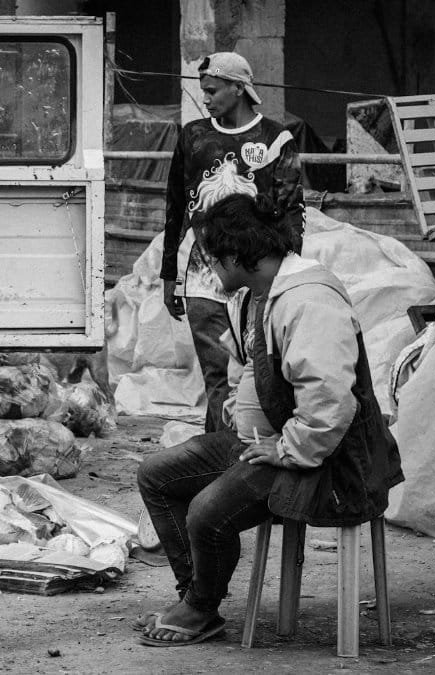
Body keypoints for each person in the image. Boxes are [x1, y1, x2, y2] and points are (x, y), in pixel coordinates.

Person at [134, 193, 402, 647]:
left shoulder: (308, 301)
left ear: (238, 257)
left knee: (206, 512)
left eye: (214, 259)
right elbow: (245, 362)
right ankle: (198, 597)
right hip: (267, 441)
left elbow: (329, 403)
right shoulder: (255, 295)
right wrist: (238, 410)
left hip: (327, 461)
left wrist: (284, 449)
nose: (211, 270)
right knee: (156, 474)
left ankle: (199, 607)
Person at [161, 51, 304, 434]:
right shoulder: (193, 136)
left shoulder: (276, 139)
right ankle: (221, 458)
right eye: (203, 91)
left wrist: (288, 280)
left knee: (257, 371)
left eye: (211, 90)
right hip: (203, 277)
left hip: (258, 277)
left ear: (239, 88)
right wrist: (168, 276)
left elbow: (292, 212)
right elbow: (175, 207)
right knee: (216, 376)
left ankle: (250, 450)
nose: (205, 99)